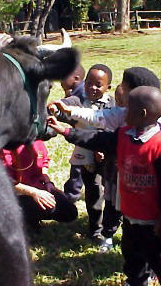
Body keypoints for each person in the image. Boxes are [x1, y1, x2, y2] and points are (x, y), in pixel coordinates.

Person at [48, 86, 161, 286]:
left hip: (153, 223)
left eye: (129, 108)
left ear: (142, 114)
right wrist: (66, 131)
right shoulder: (123, 135)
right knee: (132, 259)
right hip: (129, 217)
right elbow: (96, 139)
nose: (124, 112)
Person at [60, 64, 114, 242]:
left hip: (107, 158)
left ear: (108, 87)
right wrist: (57, 108)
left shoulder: (112, 105)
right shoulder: (79, 101)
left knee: (111, 193)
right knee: (93, 193)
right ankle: (95, 229)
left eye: (98, 85)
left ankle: (110, 227)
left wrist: (104, 149)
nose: (92, 87)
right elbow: (68, 107)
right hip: (87, 157)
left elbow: (112, 128)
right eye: (89, 83)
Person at [0, 140, 78, 232]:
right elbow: (6, 181)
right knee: (46, 207)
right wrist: (34, 193)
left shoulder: (36, 140)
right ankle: (25, 222)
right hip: (15, 194)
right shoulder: (7, 146)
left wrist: (48, 183)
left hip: (38, 188)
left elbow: (44, 161)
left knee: (69, 211)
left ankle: (31, 217)